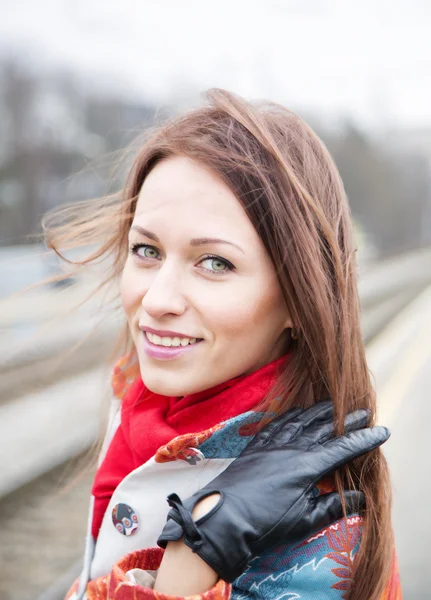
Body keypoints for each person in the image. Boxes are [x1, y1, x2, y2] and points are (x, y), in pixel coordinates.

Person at [43, 89, 401, 599]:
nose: (157, 298)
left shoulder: (323, 524)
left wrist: (194, 552)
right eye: (146, 250)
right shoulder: (142, 395)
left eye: (215, 263)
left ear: (300, 300)